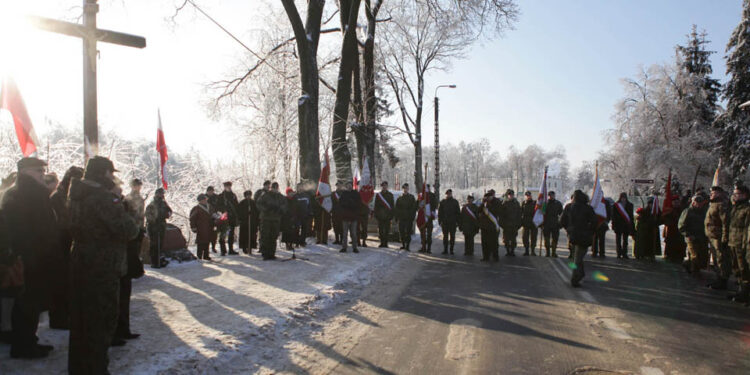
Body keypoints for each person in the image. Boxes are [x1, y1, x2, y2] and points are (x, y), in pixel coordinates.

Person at [68, 156, 139, 373]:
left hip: (81, 260)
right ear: (103, 173)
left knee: (81, 321)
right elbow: (128, 230)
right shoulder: (103, 198)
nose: (113, 177)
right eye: (111, 173)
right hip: (103, 265)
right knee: (101, 320)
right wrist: (122, 205)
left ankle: (79, 367)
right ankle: (95, 368)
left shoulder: (76, 193)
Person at [0, 157, 58, 358]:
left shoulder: (25, 193)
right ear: (25, 172)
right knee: (27, 304)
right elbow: (23, 230)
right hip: (30, 257)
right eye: (38, 170)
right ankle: (23, 346)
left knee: (30, 304)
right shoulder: (24, 195)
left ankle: (28, 341)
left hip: (33, 256)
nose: (43, 173)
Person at [48, 166, 84, 330]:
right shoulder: (58, 197)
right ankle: (59, 318)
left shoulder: (69, 195)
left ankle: (66, 316)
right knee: (61, 284)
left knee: (69, 284)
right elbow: (63, 222)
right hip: (60, 245)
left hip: (68, 244)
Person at [560, 190, 597, 287]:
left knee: (576, 258)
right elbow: (594, 222)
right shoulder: (588, 208)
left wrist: (568, 229)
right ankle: (576, 277)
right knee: (578, 258)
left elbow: (562, 221)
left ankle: (577, 276)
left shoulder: (569, 207)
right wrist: (590, 231)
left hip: (573, 236)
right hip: (584, 237)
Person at [705, 186, 732, 290]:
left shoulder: (722, 205)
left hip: (718, 237)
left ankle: (722, 280)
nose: (711, 194)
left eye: (714, 193)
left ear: (720, 194)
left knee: (721, 259)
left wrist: (725, 238)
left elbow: (725, 223)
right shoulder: (713, 204)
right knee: (716, 259)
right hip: (712, 236)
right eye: (711, 192)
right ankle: (718, 278)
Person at [727, 183, 750, 304]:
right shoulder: (736, 208)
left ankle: (745, 292)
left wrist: (745, 245)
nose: (734, 196)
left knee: (743, 269)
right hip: (733, 242)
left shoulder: (747, 209)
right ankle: (741, 290)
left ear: (745, 195)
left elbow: (747, 229)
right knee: (736, 268)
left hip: (742, 244)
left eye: (737, 194)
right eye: (734, 194)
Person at [679, 192, 710, 275]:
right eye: (697, 203)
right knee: (694, 255)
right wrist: (687, 234)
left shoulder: (704, 212)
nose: (699, 205)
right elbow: (681, 225)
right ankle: (694, 271)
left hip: (702, 237)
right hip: (691, 237)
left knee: (702, 255)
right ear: (693, 203)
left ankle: (688, 265)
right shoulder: (688, 211)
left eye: (700, 203)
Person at [257, 182, 287, 260]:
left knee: (274, 236)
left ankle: (271, 253)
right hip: (266, 218)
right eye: (273, 188)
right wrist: (266, 209)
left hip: (276, 219)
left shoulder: (280, 197)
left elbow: (285, 205)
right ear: (271, 188)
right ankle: (265, 254)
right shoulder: (265, 195)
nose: (275, 189)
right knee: (265, 236)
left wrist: (280, 209)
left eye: (276, 188)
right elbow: (259, 204)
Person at [145, 188, 172, 267]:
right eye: (160, 193)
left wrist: (166, 214)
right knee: (154, 245)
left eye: (162, 194)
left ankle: (159, 260)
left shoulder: (163, 203)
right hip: (154, 227)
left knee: (160, 244)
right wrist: (154, 220)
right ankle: (154, 262)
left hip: (161, 226)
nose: (161, 195)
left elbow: (170, 211)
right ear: (156, 194)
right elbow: (148, 216)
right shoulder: (152, 204)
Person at [479, 190, 502, 262]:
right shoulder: (484, 203)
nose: (488, 199)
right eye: (486, 197)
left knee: (494, 243)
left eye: (489, 197)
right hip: (484, 226)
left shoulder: (496, 202)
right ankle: (485, 256)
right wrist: (483, 203)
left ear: (492, 196)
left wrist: (488, 205)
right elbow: (478, 210)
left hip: (492, 226)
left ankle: (495, 257)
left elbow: (497, 211)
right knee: (485, 243)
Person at [339, 181, 361, 253]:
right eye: (348, 185)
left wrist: (352, 203)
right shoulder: (343, 194)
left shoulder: (356, 194)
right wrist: (346, 204)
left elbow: (358, 204)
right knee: (344, 233)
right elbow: (340, 204)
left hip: (353, 217)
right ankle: (344, 247)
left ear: (352, 186)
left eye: (350, 185)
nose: (349, 187)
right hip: (345, 217)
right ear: (346, 187)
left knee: (354, 233)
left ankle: (355, 247)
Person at [190, 194, 215, 260]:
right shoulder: (196, 208)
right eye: (203, 199)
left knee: (207, 241)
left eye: (205, 199)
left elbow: (213, 214)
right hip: (200, 227)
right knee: (200, 242)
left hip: (209, 227)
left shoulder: (210, 206)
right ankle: (199, 256)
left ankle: (206, 255)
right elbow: (192, 219)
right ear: (200, 201)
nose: (205, 200)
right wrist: (193, 227)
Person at [218, 181, 240, 255]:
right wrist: (224, 211)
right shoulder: (221, 196)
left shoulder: (233, 195)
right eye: (227, 186)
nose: (228, 187)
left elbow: (237, 206)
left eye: (229, 186)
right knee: (223, 234)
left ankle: (231, 250)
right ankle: (223, 250)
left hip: (232, 218)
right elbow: (218, 207)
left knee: (231, 234)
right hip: (224, 218)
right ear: (224, 187)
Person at [662, 195, 686, 263]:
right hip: (671, 230)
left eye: (677, 202)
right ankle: (669, 256)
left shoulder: (682, 210)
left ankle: (679, 257)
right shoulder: (669, 210)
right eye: (674, 202)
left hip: (680, 232)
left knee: (680, 245)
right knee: (670, 244)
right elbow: (664, 218)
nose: (676, 203)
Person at [612, 192, 635, 259]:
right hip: (618, 224)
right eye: (622, 197)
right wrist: (613, 224)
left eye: (624, 197)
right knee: (618, 240)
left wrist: (631, 225)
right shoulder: (616, 205)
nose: (623, 199)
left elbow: (631, 216)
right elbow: (613, 216)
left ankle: (625, 253)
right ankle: (619, 253)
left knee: (625, 240)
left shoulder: (630, 205)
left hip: (626, 225)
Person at [395, 184, 417, 251]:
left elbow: (414, 208)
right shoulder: (399, 198)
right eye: (404, 188)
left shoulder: (411, 197)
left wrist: (412, 217)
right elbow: (397, 208)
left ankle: (407, 246)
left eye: (407, 188)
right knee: (401, 232)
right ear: (403, 189)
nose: (405, 189)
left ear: (408, 189)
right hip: (401, 218)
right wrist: (397, 217)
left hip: (408, 218)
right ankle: (403, 245)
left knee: (408, 233)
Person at [438, 189, 460, 255]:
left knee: (452, 236)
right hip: (445, 222)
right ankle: (445, 250)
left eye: (450, 194)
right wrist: (440, 221)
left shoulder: (455, 202)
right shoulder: (442, 202)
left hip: (453, 222)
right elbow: (440, 213)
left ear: (451, 194)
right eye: (448, 194)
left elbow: (458, 213)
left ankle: (451, 250)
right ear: (446, 194)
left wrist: (457, 222)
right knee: (445, 237)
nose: (449, 195)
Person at [542, 191, 564, 257]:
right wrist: (541, 224)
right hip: (546, 224)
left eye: (552, 195)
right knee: (547, 239)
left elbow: (561, 214)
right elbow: (541, 214)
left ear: (554, 195)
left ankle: (553, 252)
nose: (551, 196)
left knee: (555, 239)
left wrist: (560, 224)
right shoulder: (545, 204)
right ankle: (547, 252)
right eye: (549, 195)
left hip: (555, 224)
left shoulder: (558, 204)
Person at [501, 189, 521, 256]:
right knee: (506, 239)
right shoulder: (504, 203)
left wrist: (518, 224)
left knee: (513, 239)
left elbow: (519, 214)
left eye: (512, 195)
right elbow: (502, 215)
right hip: (506, 225)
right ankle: (507, 251)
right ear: (507, 195)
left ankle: (512, 251)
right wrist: (502, 224)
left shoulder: (516, 203)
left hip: (514, 225)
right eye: (509, 195)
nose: (511, 196)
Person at [374, 181, 395, 248]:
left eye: (385, 185)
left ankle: (386, 243)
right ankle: (382, 243)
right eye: (383, 186)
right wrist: (376, 214)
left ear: (387, 186)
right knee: (380, 230)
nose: (384, 187)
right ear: (382, 186)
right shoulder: (378, 195)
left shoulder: (390, 195)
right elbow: (376, 206)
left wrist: (391, 215)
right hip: (380, 216)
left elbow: (392, 206)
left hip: (387, 216)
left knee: (386, 230)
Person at [520, 191, 538, 256]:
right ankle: (526, 250)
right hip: (525, 223)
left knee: (533, 238)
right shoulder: (523, 203)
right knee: (525, 238)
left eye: (529, 195)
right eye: (527, 196)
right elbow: (520, 213)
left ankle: (533, 251)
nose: (528, 197)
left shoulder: (535, 203)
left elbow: (538, 212)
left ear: (531, 196)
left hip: (533, 223)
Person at [206, 186, 219, 253]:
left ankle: (213, 247)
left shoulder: (216, 197)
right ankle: (206, 248)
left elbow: (219, 205)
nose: (210, 192)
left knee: (214, 233)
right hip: (206, 219)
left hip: (215, 218)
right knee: (207, 234)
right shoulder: (204, 197)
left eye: (212, 191)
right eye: (209, 191)